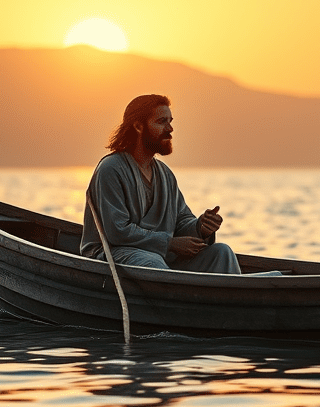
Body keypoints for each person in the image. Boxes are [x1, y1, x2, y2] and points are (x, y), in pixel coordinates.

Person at [80, 94, 241, 274]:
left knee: (222, 252)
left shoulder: (165, 175)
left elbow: (181, 222)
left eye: (170, 121)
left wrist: (201, 227)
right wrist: (169, 243)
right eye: (162, 121)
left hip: (160, 257)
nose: (170, 128)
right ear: (139, 126)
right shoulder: (111, 169)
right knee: (152, 262)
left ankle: (224, 300)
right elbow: (117, 231)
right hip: (110, 255)